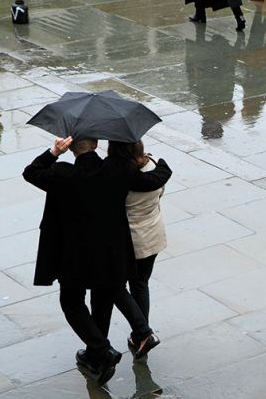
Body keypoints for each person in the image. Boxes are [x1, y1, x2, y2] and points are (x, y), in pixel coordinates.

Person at [22, 136, 172, 385]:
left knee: (71, 301)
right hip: (109, 252)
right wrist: (163, 164)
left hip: (72, 254)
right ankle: (109, 345)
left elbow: (31, 172)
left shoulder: (61, 173)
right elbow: (152, 180)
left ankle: (101, 349)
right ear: (96, 144)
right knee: (104, 296)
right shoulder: (116, 169)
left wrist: (53, 152)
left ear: (71, 147)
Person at [107, 140, 167, 359]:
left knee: (113, 285)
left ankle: (143, 332)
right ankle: (140, 336)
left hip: (128, 240)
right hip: (152, 234)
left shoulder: (117, 176)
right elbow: (160, 193)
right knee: (141, 283)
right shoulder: (153, 165)